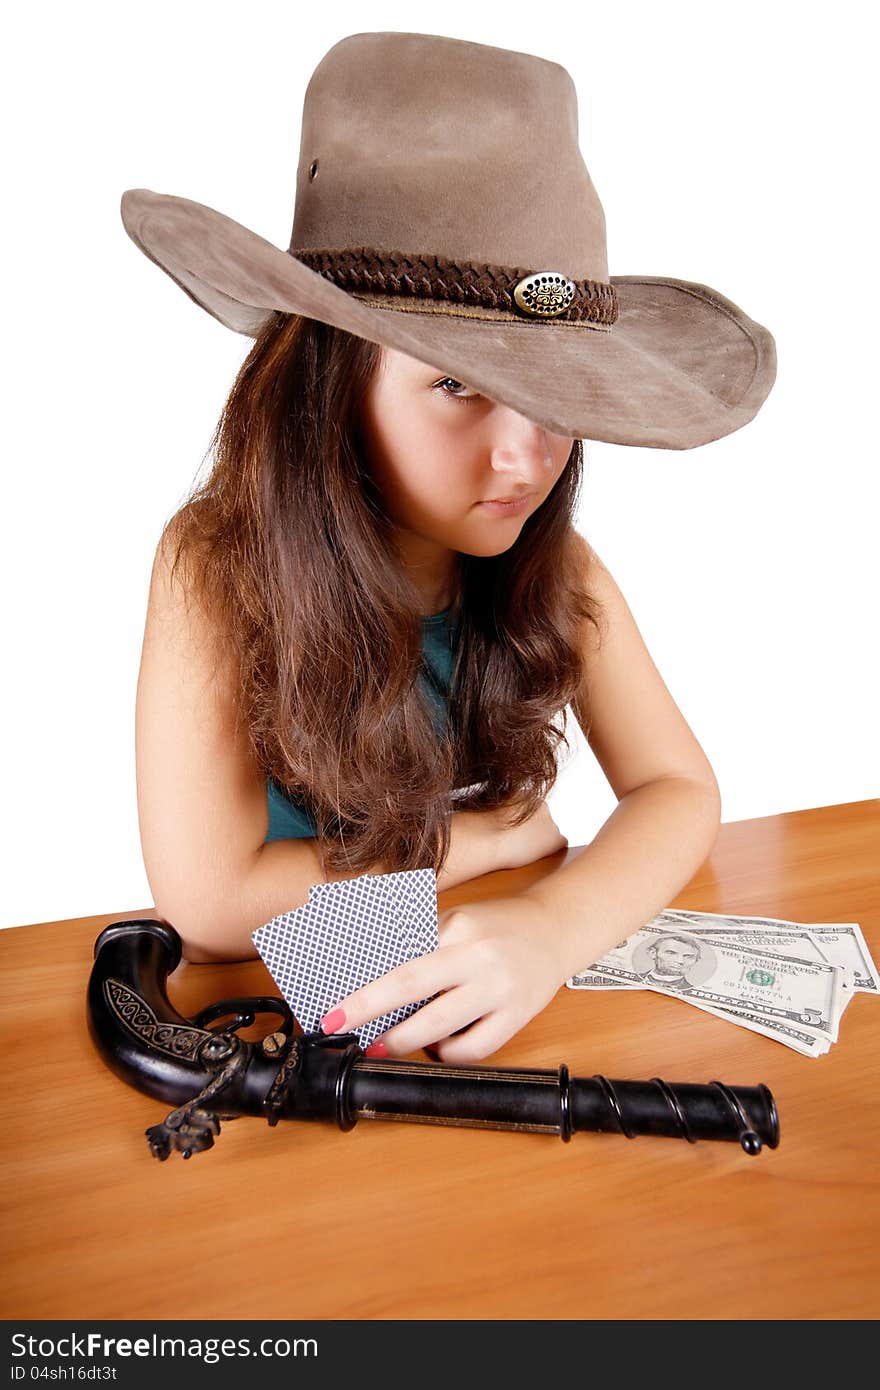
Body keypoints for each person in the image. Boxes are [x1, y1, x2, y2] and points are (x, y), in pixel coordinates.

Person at [128, 32, 776, 1065]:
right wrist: (485, 842)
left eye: (551, 398)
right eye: (457, 384)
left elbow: (681, 790)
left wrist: (554, 927)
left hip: (477, 995)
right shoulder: (214, 567)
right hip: (281, 1019)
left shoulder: (555, 573)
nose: (524, 455)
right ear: (330, 380)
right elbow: (212, 906)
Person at [636, 936, 703, 989]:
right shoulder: (636, 978)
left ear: (696, 960)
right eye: (671, 953)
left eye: (688, 957)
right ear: (652, 953)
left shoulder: (690, 989)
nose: (680, 961)